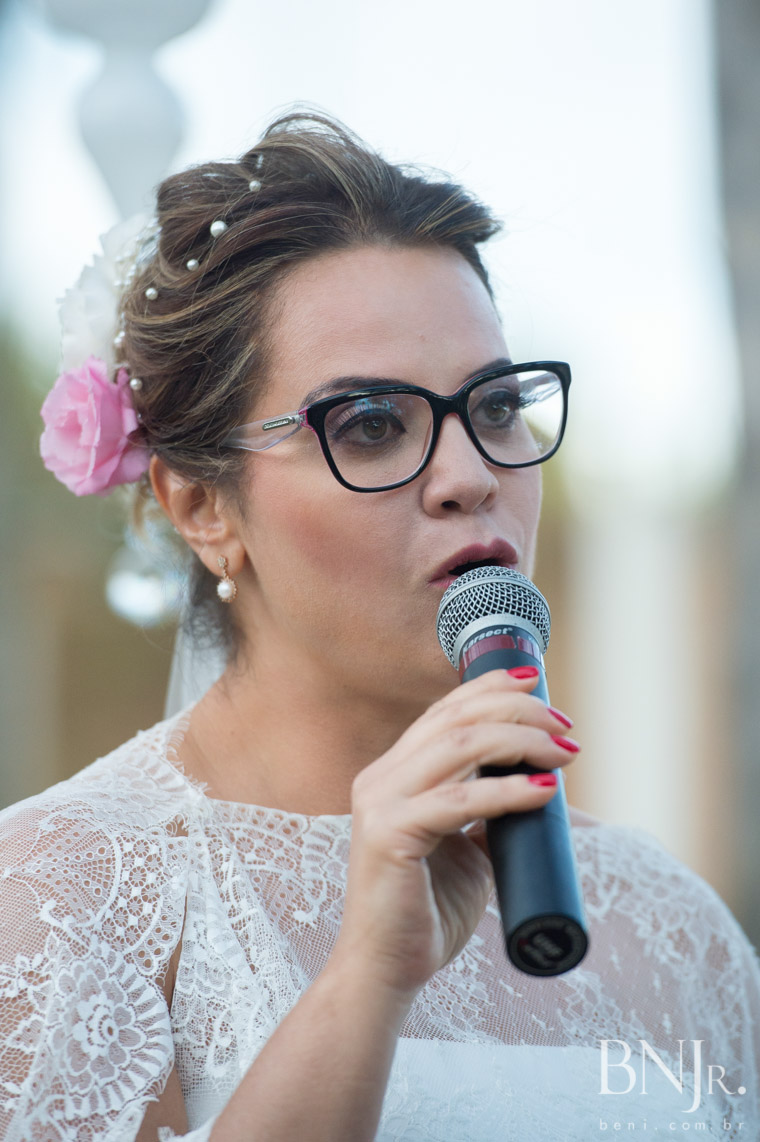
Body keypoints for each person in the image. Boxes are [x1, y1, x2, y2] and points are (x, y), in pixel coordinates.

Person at [1, 113, 758, 1141]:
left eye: (496, 407)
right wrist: (367, 976)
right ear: (203, 508)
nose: (470, 476)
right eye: (369, 425)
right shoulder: (61, 898)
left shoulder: (669, 927)